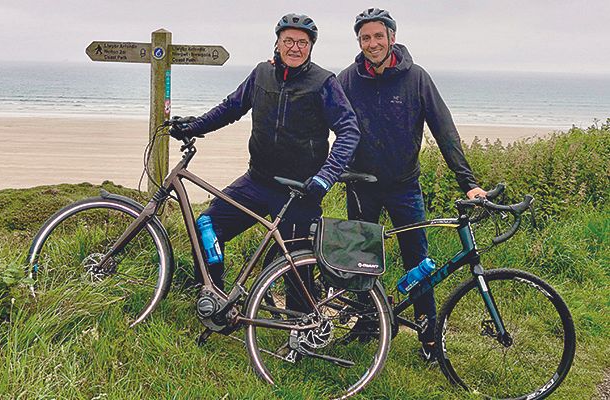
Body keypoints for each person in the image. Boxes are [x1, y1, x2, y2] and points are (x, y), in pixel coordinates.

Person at [169, 13, 360, 291]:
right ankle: (211, 294)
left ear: (311, 47)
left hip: (299, 190)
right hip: (256, 181)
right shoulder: (261, 74)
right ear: (277, 43)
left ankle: (302, 327)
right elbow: (231, 108)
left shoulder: (323, 83)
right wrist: (194, 127)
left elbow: (349, 130)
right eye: (289, 40)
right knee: (207, 224)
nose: (295, 47)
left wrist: (325, 177)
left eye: (302, 43)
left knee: (296, 270)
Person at [337, 8, 486, 362]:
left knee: (417, 261)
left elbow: (444, 131)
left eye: (377, 36)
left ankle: (428, 335)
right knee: (358, 259)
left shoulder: (416, 78)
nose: (372, 44)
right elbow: (323, 116)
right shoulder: (347, 79)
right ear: (359, 42)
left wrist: (469, 184)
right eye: (365, 38)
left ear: (391, 36)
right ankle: (366, 322)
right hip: (361, 185)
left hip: (405, 186)